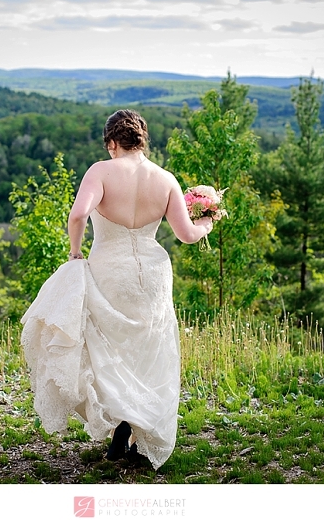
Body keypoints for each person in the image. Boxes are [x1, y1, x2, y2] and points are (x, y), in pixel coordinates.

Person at [21, 109, 212, 470]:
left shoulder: (102, 171)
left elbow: (78, 215)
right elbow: (187, 235)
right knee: (148, 350)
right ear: (142, 141)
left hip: (110, 270)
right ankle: (135, 428)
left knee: (108, 347)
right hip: (153, 275)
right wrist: (206, 224)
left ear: (112, 142)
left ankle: (119, 424)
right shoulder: (165, 179)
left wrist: (76, 252)